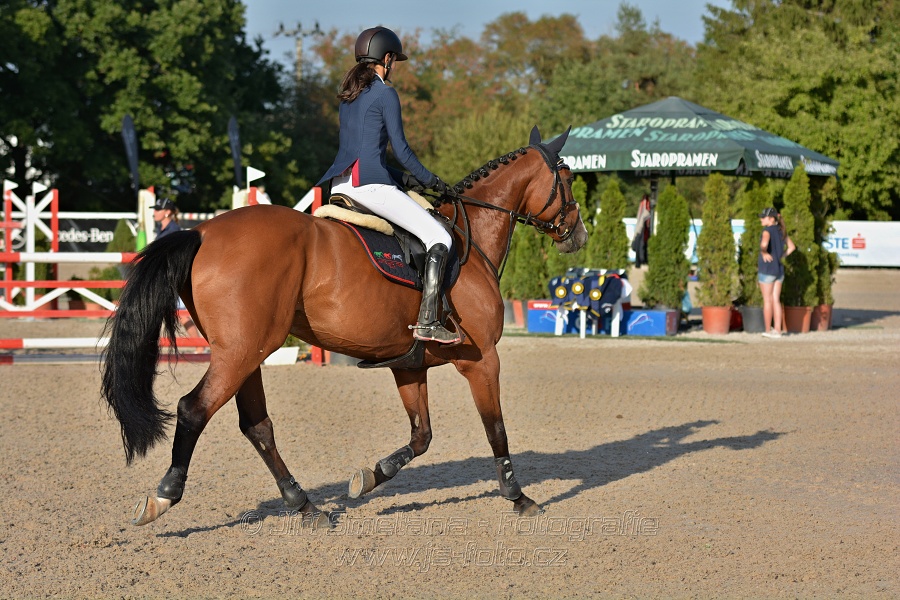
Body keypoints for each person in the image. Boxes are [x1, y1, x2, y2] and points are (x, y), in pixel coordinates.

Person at [316, 26, 459, 344]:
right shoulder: (385, 94)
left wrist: (404, 180)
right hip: (369, 188)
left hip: (340, 187)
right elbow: (403, 150)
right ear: (387, 58)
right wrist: (432, 181)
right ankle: (428, 320)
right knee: (439, 236)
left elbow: (364, 153)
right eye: (394, 60)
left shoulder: (349, 97)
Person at [152, 197, 201, 342]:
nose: (154, 212)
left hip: (171, 277)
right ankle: (198, 345)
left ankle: (198, 345)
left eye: (157, 209)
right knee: (178, 314)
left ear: (167, 212)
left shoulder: (172, 230)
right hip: (165, 276)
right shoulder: (163, 229)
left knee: (182, 314)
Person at [758, 207, 796, 338]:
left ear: (771, 218)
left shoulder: (766, 231)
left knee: (767, 300)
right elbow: (792, 247)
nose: (761, 219)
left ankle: (768, 330)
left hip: (767, 269)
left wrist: (764, 252)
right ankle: (778, 330)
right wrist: (782, 256)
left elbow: (764, 244)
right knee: (776, 300)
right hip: (779, 270)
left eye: (763, 217)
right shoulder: (781, 231)